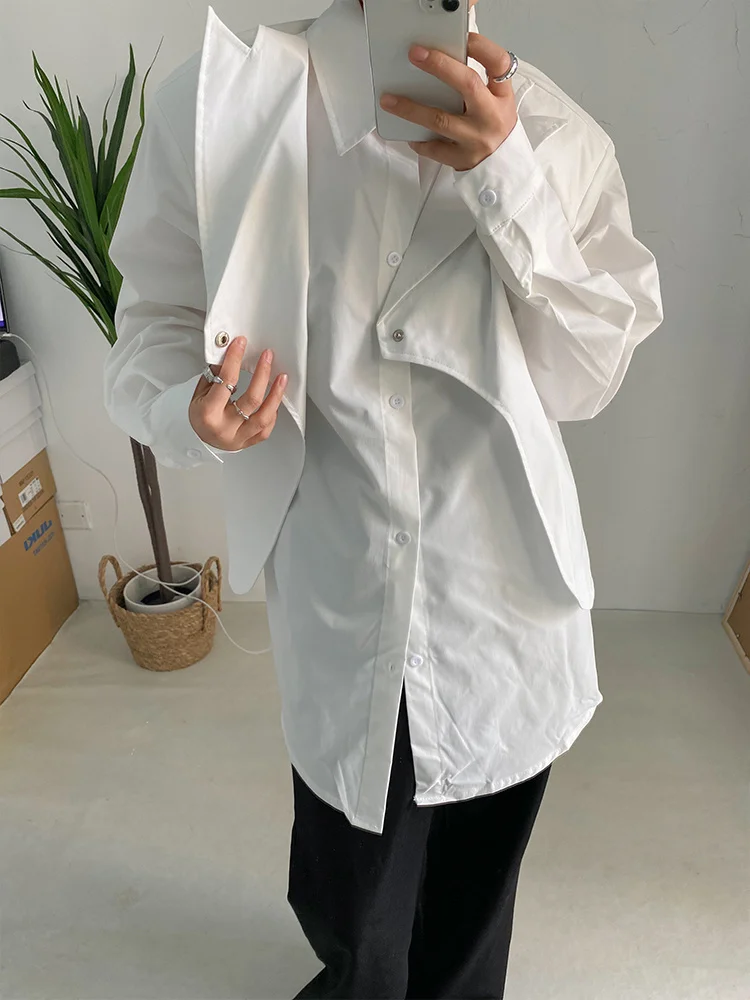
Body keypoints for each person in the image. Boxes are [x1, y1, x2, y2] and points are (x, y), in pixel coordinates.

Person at [104, 0, 663, 996]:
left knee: (473, 911)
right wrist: (191, 410)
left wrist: (507, 178)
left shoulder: (551, 132)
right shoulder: (218, 107)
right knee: (352, 908)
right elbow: (151, 322)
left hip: (502, 598)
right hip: (344, 586)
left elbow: (588, 372)